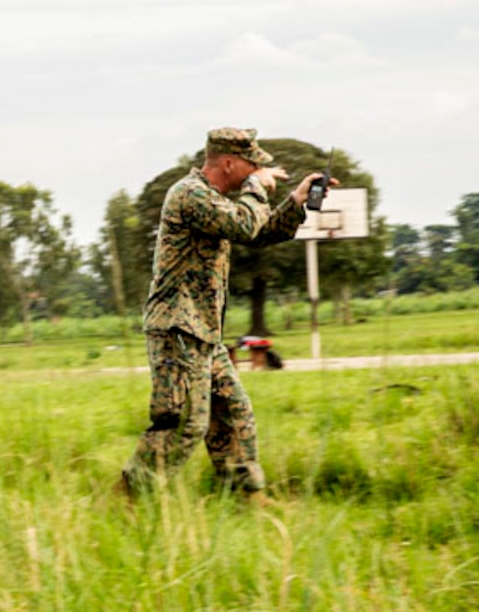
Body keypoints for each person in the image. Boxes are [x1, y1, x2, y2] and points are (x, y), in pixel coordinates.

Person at [118, 127, 337, 503]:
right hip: (178, 329)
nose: (259, 172)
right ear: (229, 162)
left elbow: (259, 231)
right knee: (184, 422)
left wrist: (297, 200)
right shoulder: (189, 194)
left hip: (202, 331)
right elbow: (244, 223)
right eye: (253, 166)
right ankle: (129, 500)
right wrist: (256, 186)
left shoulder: (214, 200)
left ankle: (246, 498)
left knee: (234, 412)